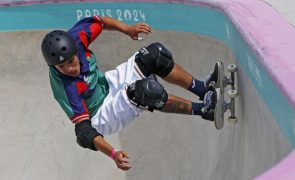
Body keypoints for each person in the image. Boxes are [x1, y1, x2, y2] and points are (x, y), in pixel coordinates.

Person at [41, 15, 220, 171]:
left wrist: (128, 29)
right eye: (61, 67)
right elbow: (84, 131)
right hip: (101, 115)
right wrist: (113, 153)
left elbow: (100, 21)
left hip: (106, 84)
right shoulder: (67, 88)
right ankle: (205, 110)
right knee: (146, 92)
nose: (70, 69)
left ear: (75, 50)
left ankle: (203, 89)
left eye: (71, 61)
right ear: (53, 66)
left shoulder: (77, 38)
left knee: (155, 54)